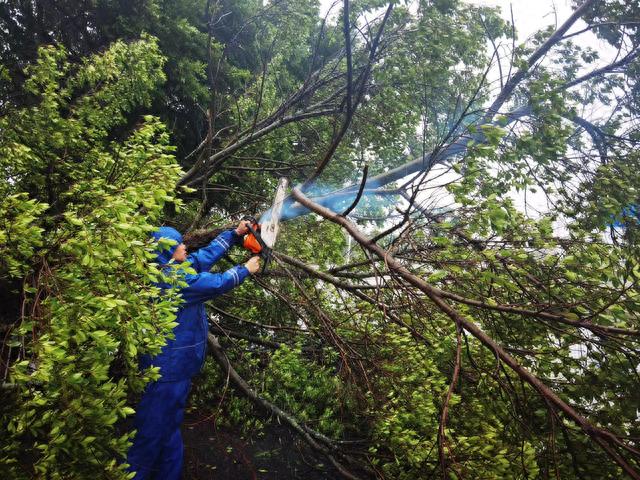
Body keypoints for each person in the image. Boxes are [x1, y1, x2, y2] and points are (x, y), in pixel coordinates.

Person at [126, 220, 259, 479]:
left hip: (176, 370)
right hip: (166, 372)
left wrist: (234, 235)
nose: (185, 247)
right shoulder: (170, 281)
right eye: (179, 245)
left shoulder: (166, 267)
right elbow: (215, 284)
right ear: (167, 252)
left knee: (169, 430)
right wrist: (244, 270)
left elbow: (201, 258)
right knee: (151, 433)